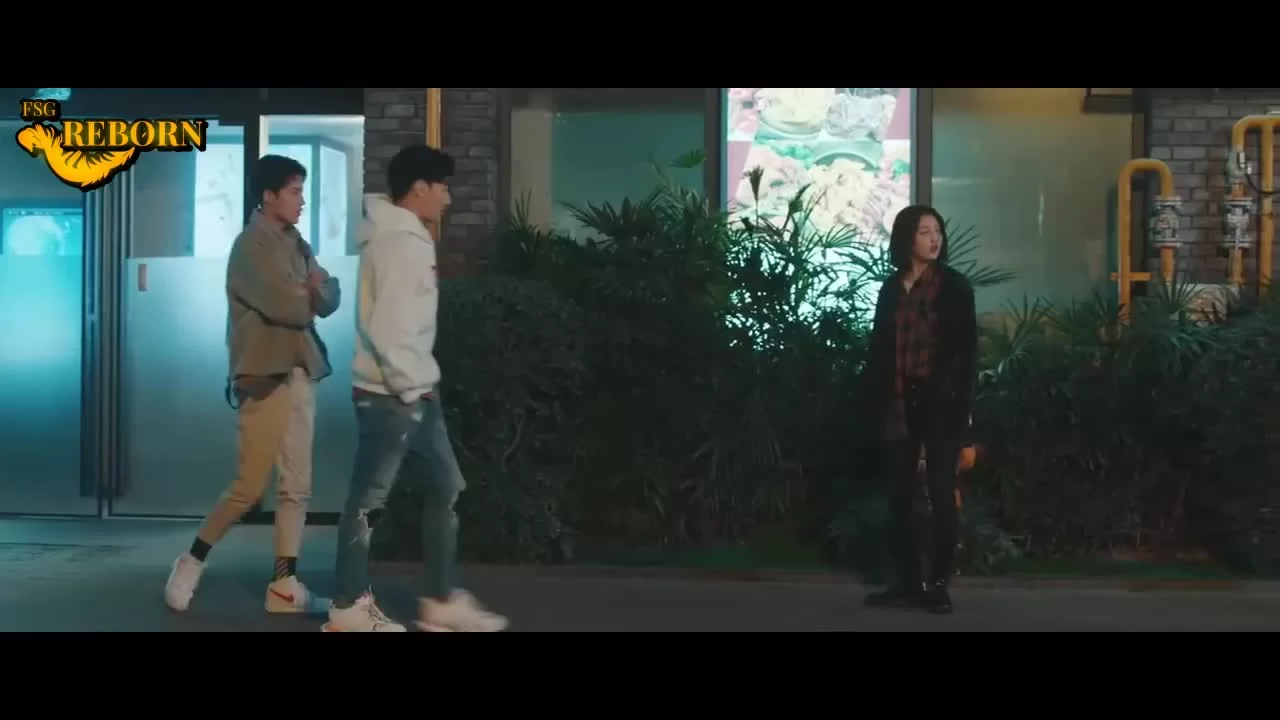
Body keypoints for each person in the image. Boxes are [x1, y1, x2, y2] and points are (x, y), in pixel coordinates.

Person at [323, 145, 507, 633]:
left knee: (446, 486)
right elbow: (389, 328)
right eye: (443, 186)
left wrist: (418, 387)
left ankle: (439, 599)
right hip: (394, 395)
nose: (448, 197)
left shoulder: (404, 237)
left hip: (414, 389)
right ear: (419, 188)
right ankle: (348, 606)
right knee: (368, 502)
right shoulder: (399, 243)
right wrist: (410, 389)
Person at [164, 154, 340, 615]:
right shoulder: (249, 247)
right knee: (249, 485)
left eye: (302, 191)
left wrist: (312, 288)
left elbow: (330, 298)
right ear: (269, 195)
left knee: (297, 486)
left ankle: (284, 585)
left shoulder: (297, 243)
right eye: (295, 191)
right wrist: (310, 289)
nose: (302, 201)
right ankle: (192, 559)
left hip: (301, 369)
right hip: (264, 375)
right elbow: (290, 307)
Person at [860, 205, 977, 615]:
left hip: (940, 403)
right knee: (900, 495)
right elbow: (878, 350)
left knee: (942, 496)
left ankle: (939, 584)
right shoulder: (891, 289)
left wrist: (965, 414)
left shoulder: (954, 288)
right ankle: (908, 582)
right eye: (925, 231)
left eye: (937, 231)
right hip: (897, 401)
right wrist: (871, 403)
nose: (934, 238)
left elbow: (966, 356)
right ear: (906, 237)